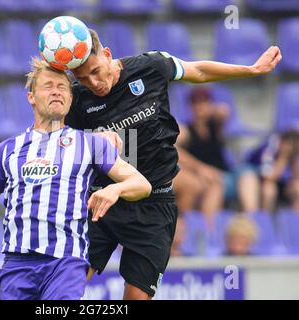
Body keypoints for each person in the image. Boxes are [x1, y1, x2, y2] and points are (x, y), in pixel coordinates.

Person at [65, 27, 281, 300]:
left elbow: (198, 71)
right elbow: (55, 138)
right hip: (103, 202)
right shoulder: (77, 99)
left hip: (155, 206)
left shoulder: (150, 67)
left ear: (107, 55)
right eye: (83, 79)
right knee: (65, 292)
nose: (93, 83)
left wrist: (250, 70)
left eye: (96, 71)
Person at [0, 58, 152, 300]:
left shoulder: (90, 144)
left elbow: (142, 184)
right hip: (17, 266)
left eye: (62, 87)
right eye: (48, 86)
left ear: (71, 98)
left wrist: (115, 190)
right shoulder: (8, 150)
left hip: (66, 264)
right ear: (31, 97)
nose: (56, 91)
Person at [176, 87, 259, 223]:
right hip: (205, 178)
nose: (199, 107)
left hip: (226, 174)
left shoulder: (215, 125)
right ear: (189, 107)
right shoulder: (186, 129)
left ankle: (251, 220)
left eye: (203, 102)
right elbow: (173, 149)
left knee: (247, 172)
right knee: (216, 185)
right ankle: (209, 231)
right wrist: (201, 169)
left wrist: (208, 111)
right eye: (195, 103)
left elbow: (224, 110)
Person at [248, 129, 299, 212]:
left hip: (280, 184)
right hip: (258, 183)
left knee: (297, 187)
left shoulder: (293, 155)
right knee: (269, 189)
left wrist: (293, 161)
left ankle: (296, 221)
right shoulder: (268, 149)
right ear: (282, 141)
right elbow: (268, 178)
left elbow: (296, 177)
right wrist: (284, 157)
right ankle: (265, 221)